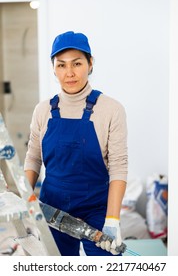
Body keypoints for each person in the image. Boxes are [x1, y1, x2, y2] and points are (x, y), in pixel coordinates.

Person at [24, 31, 128, 256]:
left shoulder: (111, 109)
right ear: (53, 68)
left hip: (97, 210)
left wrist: (112, 219)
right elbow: (33, 157)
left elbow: (119, 166)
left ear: (90, 64)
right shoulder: (43, 110)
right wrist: (24, 199)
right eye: (61, 65)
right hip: (52, 209)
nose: (69, 73)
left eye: (77, 63)